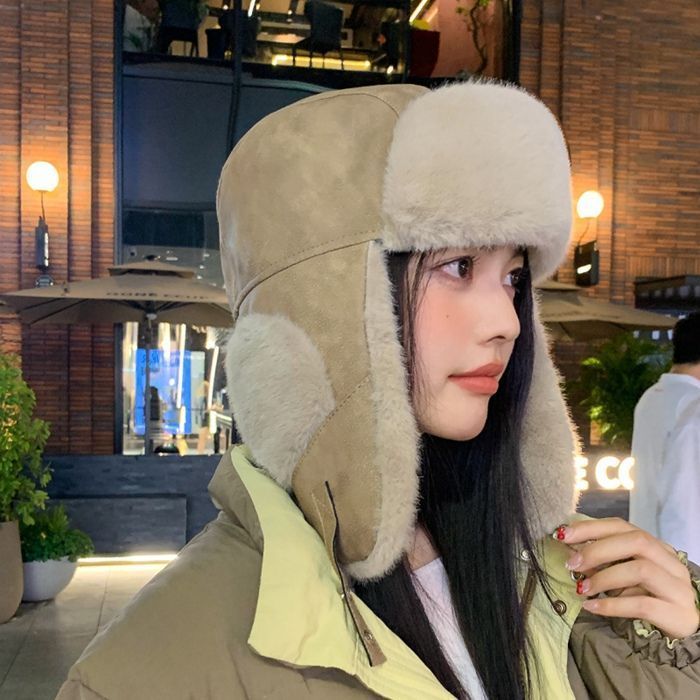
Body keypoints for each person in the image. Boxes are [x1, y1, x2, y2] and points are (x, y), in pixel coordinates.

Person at [57, 83, 700, 700]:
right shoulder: (145, 672)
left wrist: (675, 653)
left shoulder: (573, 572)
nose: (507, 321)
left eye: (512, 277)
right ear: (331, 311)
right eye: (458, 266)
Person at [630, 312, 700, 563]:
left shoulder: (650, 397)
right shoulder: (693, 404)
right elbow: (684, 498)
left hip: (645, 542)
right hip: (683, 558)